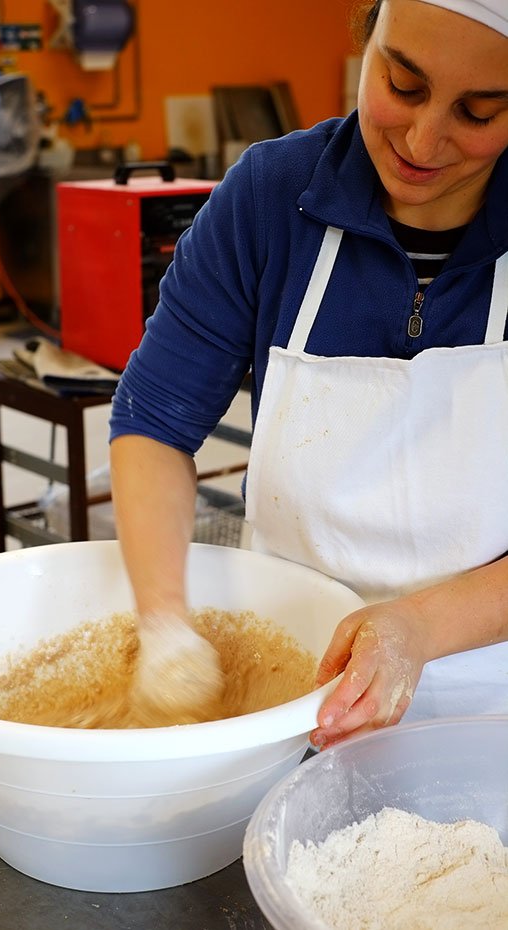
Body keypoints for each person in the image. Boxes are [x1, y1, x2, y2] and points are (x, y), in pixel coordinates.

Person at [109, 0, 508, 745]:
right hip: (291, 689)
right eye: (404, 82)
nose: (423, 140)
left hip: (493, 704)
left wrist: (416, 626)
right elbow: (154, 424)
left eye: (479, 111)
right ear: (368, 34)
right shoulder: (270, 199)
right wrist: (165, 623)